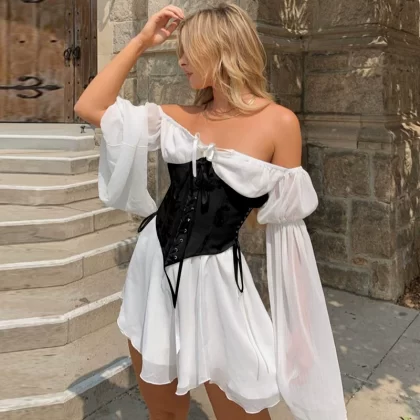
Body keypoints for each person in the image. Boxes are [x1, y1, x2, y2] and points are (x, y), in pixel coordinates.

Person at [74, 3, 347, 420]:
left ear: (223, 50)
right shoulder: (177, 118)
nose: (181, 60)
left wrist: (299, 330)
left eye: (190, 51)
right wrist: (142, 41)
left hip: (217, 282)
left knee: (243, 408)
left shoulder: (279, 123)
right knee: (165, 412)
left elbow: (287, 232)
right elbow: (90, 107)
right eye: (179, 51)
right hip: (153, 268)